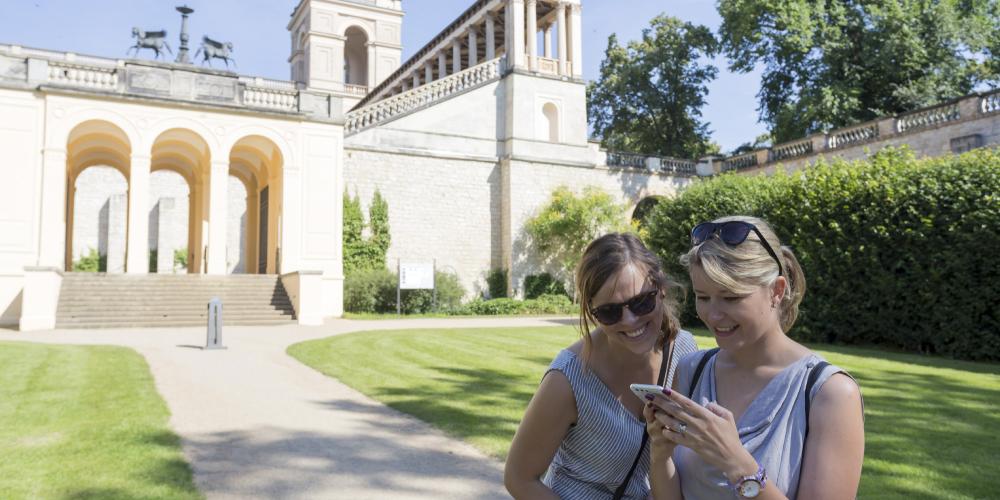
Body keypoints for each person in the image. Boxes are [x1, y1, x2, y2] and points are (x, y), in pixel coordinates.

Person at [643, 216, 864, 499]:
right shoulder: (690, 371)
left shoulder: (830, 393)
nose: (713, 315)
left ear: (776, 291)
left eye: (731, 297)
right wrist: (661, 455)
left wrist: (736, 461)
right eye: (703, 296)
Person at [505, 233, 699, 499]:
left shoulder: (685, 351)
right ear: (591, 311)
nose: (629, 321)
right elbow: (519, 478)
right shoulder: (568, 379)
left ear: (661, 288)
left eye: (641, 302)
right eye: (609, 311)